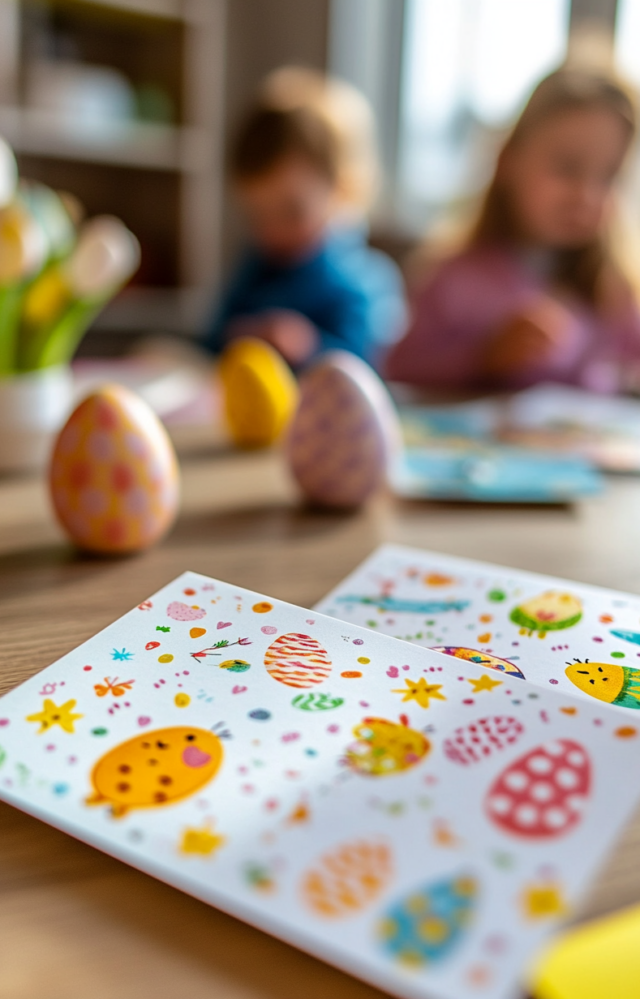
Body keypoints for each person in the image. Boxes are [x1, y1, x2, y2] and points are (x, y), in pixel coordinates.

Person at [386, 68, 640, 393]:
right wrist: (484, 357)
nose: (586, 195)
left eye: (608, 176)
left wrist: (608, 375)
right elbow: (398, 371)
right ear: (508, 159)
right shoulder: (452, 281)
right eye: (568, 167)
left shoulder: (614, 294)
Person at [204, 67, 406, 370]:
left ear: (343, 189)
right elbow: (210, 341)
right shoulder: (255, 266)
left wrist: (307, 346)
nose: (273, 230)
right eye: (257, 215)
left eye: (292, 211)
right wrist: (236, 336)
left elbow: (367, 366)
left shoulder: (364, 282)